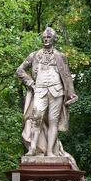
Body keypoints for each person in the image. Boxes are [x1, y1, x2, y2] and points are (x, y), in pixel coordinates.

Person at [16, 27, 79, 168]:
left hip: (57, 91)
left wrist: (71, 93)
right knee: (36, 119)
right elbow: (20, 70)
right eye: (44, 37)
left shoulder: (61, 56)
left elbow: (67, 76)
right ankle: (32, 149)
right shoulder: (34, 55)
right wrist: (30, 83)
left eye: (49, 37)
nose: (46, 39)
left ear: (54, 39)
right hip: (39, 91)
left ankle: (50, 151)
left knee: (53, 122)